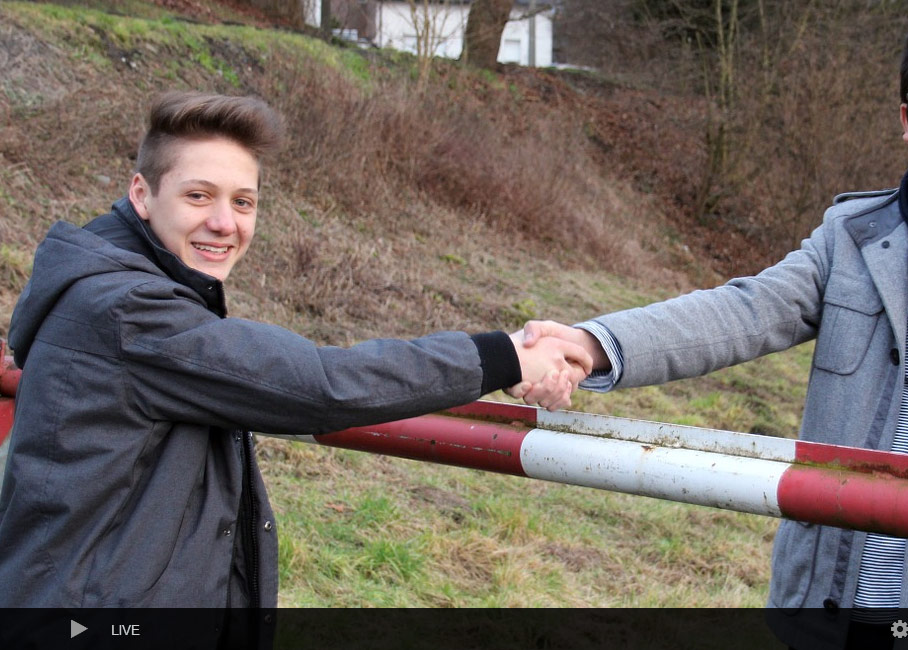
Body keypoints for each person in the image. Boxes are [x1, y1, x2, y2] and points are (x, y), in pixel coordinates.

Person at [510, 9, 908, 648]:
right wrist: (593, 345)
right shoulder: (850, 237)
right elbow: (743, 311)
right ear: (905, 119)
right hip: (825, 615)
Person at [0, 92, 590, 638]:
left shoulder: (124, 289)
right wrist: (504, 354)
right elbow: (321, 384)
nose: (225, 223)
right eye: (198, 195)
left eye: (243, 201)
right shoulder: (130, 309)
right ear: (141, 195)